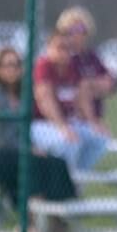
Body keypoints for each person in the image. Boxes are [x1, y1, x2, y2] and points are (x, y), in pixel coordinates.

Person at [0, 47, 76, 232]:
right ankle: (29, 224)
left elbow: (23, 134)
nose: (13, 69)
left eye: (17, 65)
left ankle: (58, 218)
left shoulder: (22, 98)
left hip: (13, 153)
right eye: (8, 65)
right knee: (30, 164)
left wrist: (32, 148)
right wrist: (28, 149)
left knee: (56, 162)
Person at [31, 30, 108, 174]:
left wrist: (93, 122)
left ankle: (77, 178)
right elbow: (45, 100)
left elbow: (82, 96)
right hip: (41, 124)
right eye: (59, 47)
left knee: (100, 139)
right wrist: (62, 127)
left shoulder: (72, 67)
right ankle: (62, 183)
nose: (64, 52)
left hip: (67, 123)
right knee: (68, 141)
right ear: (49, 48)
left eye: (67, 48)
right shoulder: (44, 65)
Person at [56, 6, 116, 122]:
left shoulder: (91, 57)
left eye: (81, 29)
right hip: (73, 118)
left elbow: (110, 83)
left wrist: (90, 86)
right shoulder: (65, 58)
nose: (77, 34)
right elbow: (76, 88)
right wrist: (94, 86)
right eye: (72, 30)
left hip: (95, 117)